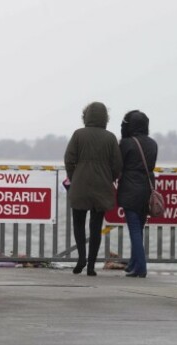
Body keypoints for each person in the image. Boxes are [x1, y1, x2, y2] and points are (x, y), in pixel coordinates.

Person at [64, 102, 122, 276]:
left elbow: (69, 159)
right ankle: (91, 266)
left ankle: (81, 257)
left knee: (78, 223)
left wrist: (74, 177)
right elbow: (117, 165)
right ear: (105, 118)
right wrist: (109, 178)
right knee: (96, 227)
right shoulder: (110, 138)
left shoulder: (78, 135)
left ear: (86, 116)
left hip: (80, 185)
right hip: (102, 186)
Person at [117, 110, 158, 278]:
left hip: (130, 188)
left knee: (134, 229)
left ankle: (140, 267)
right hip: (147, 189)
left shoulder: (126, 143)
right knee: (139, 228)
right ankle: (134, 263)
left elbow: (119, 165)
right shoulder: (153, 143)